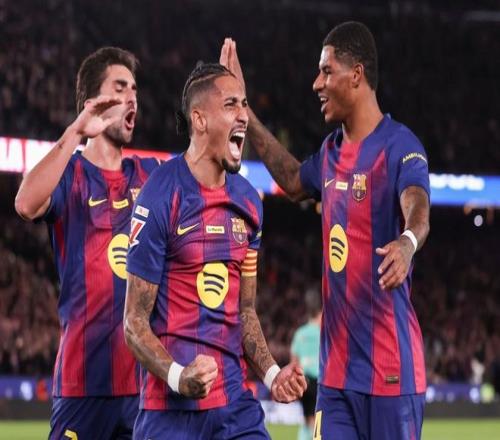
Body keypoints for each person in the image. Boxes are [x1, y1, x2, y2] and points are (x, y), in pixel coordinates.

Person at [221, 20, 430, 440]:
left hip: (390, 372)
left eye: (326, 71)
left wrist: (407, 242)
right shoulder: (331, 152)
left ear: (356, 75)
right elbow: (292, 180)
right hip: (334, 377)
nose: (317, 83)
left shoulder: (399, 145)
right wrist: (245, 110)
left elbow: (417, 205)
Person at [124, 62, 307, 440]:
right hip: (170, 413)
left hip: (234, 408)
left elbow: (245, 310)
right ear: (199, 119)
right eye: (230, 104)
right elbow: (134, 321)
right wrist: (179, 376)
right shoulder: (160, 194)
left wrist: (272, 374)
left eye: (244, 104)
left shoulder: (249, 202)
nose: (243, 115)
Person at [15, 47, 160, 439]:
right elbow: (25, 204)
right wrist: (76, 132)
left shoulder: (149, 175)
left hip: (143, 388)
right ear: (93, 103)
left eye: (135, 90)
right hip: (82, 385)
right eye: (120, 88)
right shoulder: (71, 174)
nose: (132, 98)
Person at [291, 288, 321, 440]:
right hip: (320, 382)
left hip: (304, 382)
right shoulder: (324, 333)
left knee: (308, 419)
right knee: (318, 421)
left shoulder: (300, 333)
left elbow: (293, 363)